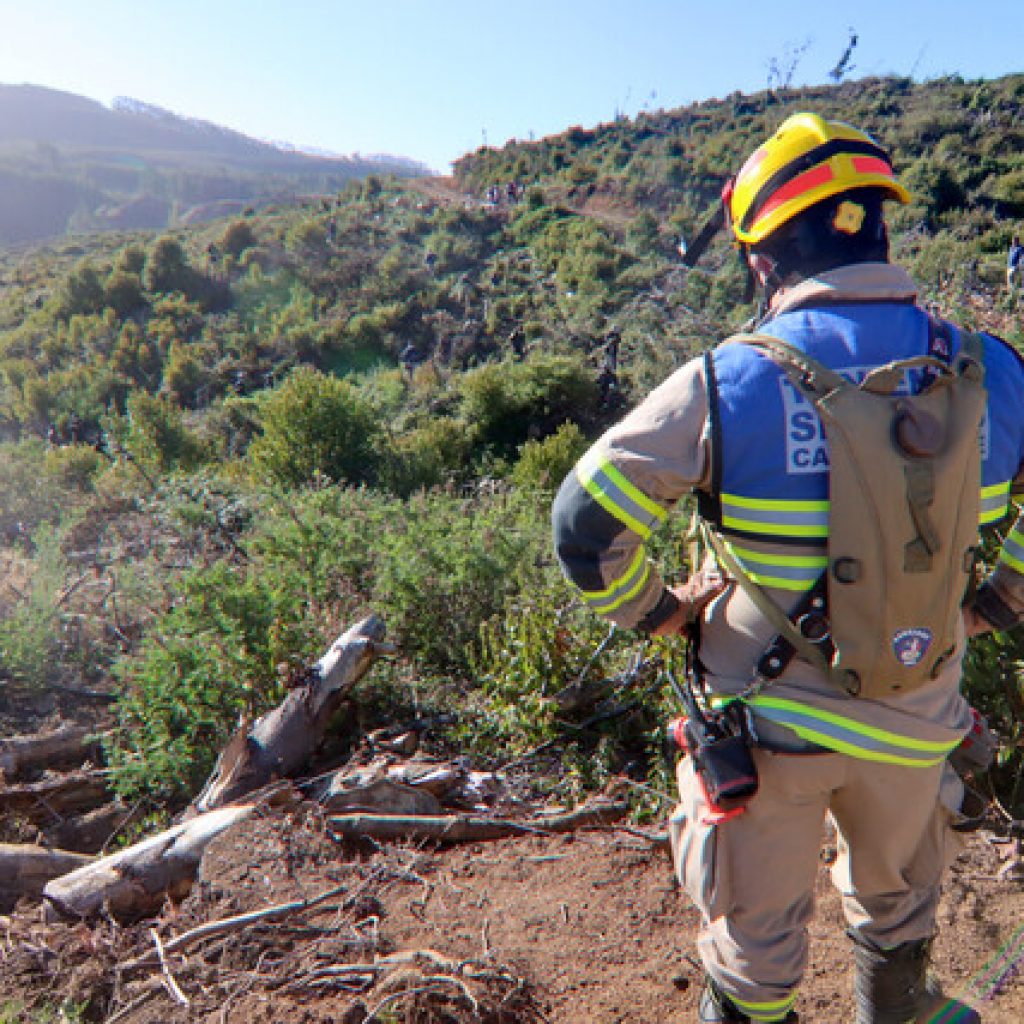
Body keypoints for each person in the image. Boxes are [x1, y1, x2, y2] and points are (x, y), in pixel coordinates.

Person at [552, 113, 1024, 1023]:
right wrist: (998, 603)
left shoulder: (725, 381)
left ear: (763, 260)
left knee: (754, 947)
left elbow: (582, 526)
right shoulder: (994, 370)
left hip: (765, 729)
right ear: (879, 231)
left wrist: (661, 611)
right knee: (899, 911)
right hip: (917, 712)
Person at [1008, 234, 1022, 304]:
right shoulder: (1011, 248)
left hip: (1015, 267)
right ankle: (1013, 294)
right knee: (1010, 281)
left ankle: (1016, 294)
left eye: (1015, 240)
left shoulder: (1020, 248)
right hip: (1009, 266)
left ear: (1017, 241)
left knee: (1013, 279)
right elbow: (1009, 257)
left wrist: (1018, 265)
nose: (1013, 242)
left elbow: (1022, 257)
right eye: (1013, 240)